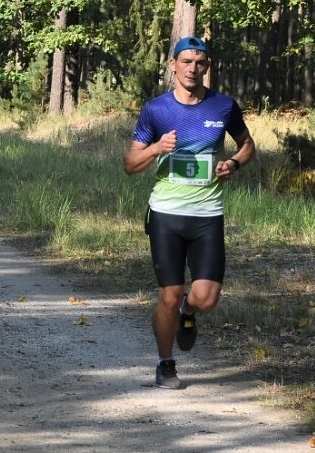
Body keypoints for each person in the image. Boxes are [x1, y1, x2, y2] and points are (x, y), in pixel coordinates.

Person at [123, 36, 256, 389]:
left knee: (206, 298)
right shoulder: (156, 109)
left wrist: (233, 164)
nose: (192, 69)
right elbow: (129, 164)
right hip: (165, 212)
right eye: (186, 62)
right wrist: (155, 148)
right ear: (173, 65)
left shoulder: (223, 106)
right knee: (167, 294)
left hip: (207, 213)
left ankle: (188, 310)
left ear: (207, 66)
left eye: (200, 63)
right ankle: (166, 363)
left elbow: (247, 146)